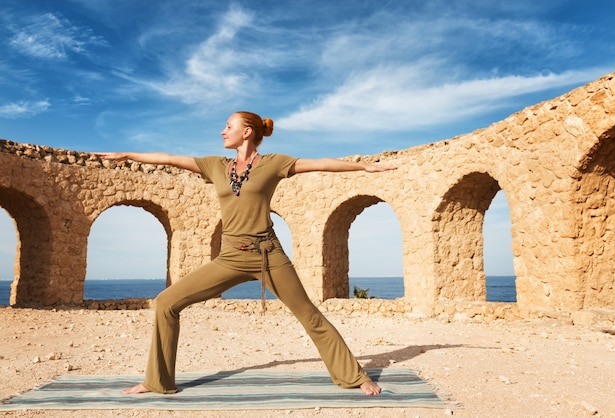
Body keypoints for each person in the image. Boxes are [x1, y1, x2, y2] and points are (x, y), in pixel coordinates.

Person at [96, 111, 396, 396]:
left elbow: (319, 163)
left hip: (268, 254)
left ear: (246, 132)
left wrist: (362, 167)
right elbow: (170, 158)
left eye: (228, 126)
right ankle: (157, 380)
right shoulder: (216, 165)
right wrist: (127, 155)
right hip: (229, 257)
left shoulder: (273, 163)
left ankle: (355, 377)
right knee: (166, 302)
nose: (222, 131)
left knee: (308, 314)